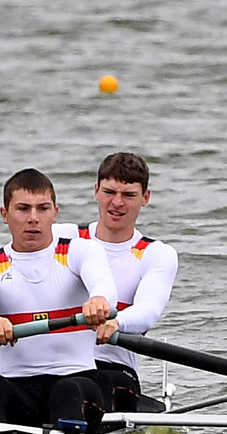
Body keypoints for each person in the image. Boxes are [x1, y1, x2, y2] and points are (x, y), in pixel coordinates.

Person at [0, 169, 117, 434]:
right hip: (19, 387)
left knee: (67, 389)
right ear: (4, 214)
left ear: (55, 212)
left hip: (79, 381)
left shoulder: (80, 251)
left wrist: (99, 302)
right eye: (23, 209)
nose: (33, 218)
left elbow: (105, 291)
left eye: (42, 208)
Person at [60, 152, 179, 414]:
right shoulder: (63, 237)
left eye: (128, 195)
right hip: (56, 364)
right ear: (96, 191)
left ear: (145, 198)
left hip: (114, 370)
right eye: (109, 191)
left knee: (87, 385)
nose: (117, 203)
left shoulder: (156, 254)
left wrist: (117, 323)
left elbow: (147, 311)